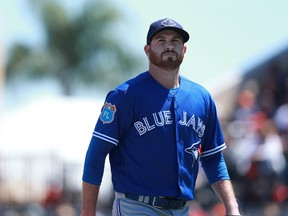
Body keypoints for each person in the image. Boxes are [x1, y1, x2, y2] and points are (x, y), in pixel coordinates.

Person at [81, 18, 241, 216]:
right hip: (136, 206)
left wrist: (232, 207)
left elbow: (213, 158)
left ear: (184, 50)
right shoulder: (125, 95)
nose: (169, 46)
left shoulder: (202, 98)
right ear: (147, 50)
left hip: (181, 210)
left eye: (175, 41)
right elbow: (96, 154)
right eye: (161, 41)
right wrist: (87, 212)